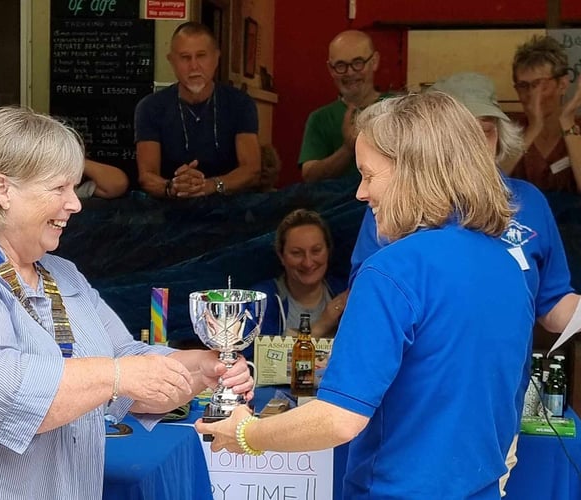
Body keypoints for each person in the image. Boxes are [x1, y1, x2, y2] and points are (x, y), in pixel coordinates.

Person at [0, 106, 254, 499]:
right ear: (2, 189)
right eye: (59, 188)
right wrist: (117, 376)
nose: (75, 203)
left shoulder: (63, 274)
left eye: (74, 187)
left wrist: (200, 368)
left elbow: (129, 359)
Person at [196, 93, 536, 499]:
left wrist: (246, 433)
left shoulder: (392, 268)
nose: (360, 193)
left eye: (369, 175)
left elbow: (339, 418)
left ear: (413, 172)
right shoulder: (508, 265)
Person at [349, 72, 581, 496]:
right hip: (414, 424)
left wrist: (249, 436)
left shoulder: (529, 202)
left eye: (486, 131)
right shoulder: (393, 207)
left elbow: (552, 302)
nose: (476, 143)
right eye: (464, 133)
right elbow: (374, 293)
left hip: (493, 419)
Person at [135, 22, 260, 198]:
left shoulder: (240, 103)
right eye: (185, 57)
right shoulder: (150, 107)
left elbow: (251, 170)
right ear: (172, 61)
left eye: (201, 56)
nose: (194, 66)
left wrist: (209, 186)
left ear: (216, 58)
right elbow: (147, 175)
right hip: (170, 210)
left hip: (230, 208)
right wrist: (173, 187)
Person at [299, 30, 393, 183]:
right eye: (341, 66)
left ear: (374, 62)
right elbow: (309, 176)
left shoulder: (398, 108)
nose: (349, 73)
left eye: (358, 63)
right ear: (330, 69)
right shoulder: (320, 118)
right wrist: (348, 149)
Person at [251, 209, 348, 339]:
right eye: (297, 253)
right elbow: (261, 355)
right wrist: (323, 324)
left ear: (328, 251)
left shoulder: (345, 291)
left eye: (316, 251)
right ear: (281, 256)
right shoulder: (262, 300)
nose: (308, 263)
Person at [508, 35, 581, 193]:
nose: (532, 94)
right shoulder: (509, 131)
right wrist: (534, 128)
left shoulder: (577, 128)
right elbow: (493, 181)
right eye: (523, 86)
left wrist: (567, 121)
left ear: (562, 84)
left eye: (540, 85)